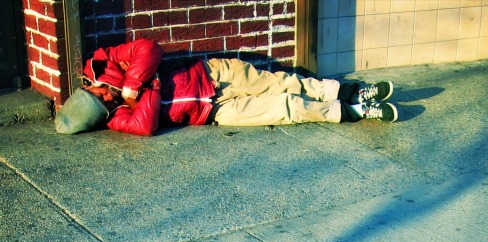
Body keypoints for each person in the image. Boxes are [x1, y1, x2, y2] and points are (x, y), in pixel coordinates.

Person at [55, 39, 398, 136]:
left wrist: (132, 84)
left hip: (214, 74)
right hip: (215, 113)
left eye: (101, 96)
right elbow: (145, 124)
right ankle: (354, 111)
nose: (109, 99)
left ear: (90, 87)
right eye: (105, 106)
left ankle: (349, 92)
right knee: (285, 108)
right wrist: (152, 83)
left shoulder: (104, 61)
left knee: (282, 81)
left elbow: (148, 49)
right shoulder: (115, 117)